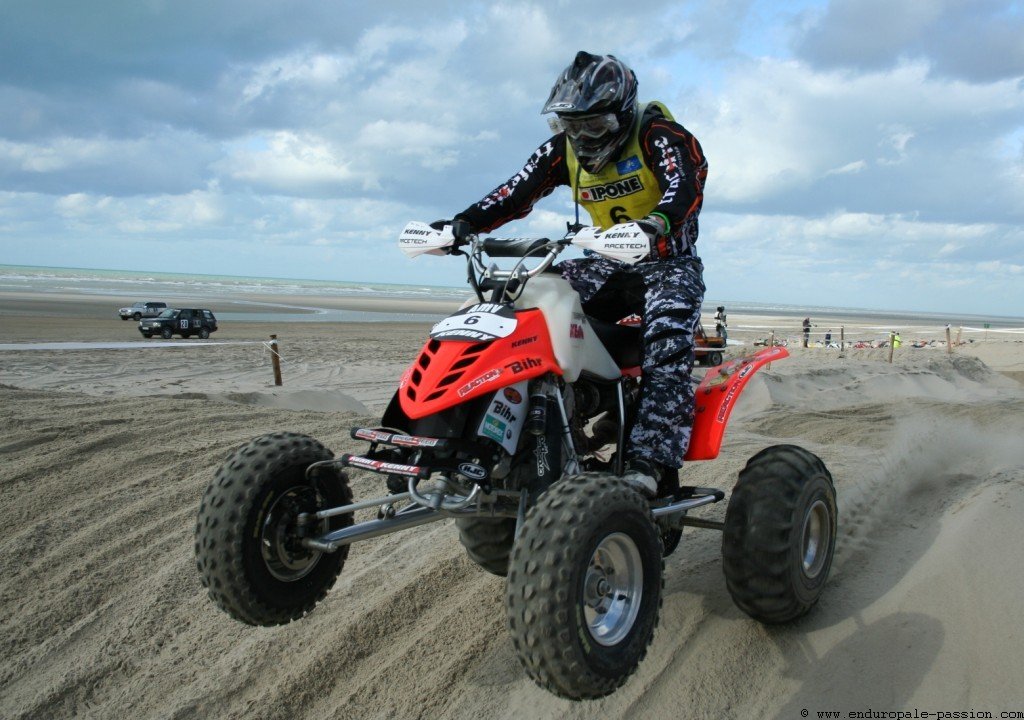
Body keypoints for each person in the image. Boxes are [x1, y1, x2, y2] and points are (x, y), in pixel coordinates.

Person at [431, 51, 708, 498]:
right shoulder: (562, 151)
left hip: (667, 264)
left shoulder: (660, 134)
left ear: (621, 116)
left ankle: (648, 462)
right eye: (570, 126)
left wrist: (654, 225)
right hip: (604, 262)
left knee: (667, 348)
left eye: (594, 126)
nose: (581, 137)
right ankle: (474, 437)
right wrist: (458, 225)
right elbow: (512, 194)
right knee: (520, 299)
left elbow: (685, 186)